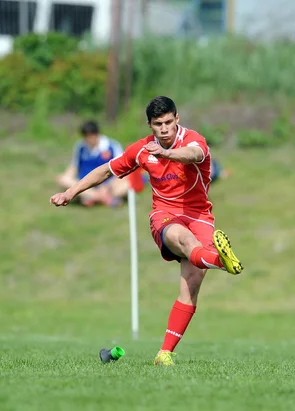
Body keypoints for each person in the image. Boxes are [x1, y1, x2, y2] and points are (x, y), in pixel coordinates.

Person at [49, 96, 244, 366]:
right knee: (184, 240)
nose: (164, 129)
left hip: (199, 214)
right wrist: (71, 192)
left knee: (192, 283)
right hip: (165, 215)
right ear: (150, 125)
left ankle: (164, 353)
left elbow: (194, 155)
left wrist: (166, 153)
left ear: (177, 119)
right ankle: (221, 260)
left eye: (168, 122)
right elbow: (106, 171)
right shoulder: (141, 150)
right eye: (157, 124)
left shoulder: (193, 140)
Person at [56, 120, 128, 207]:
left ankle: (90, 198)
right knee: (63, 179)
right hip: (86, 184)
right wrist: (66, 178)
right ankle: (102, 198)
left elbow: (122, 169)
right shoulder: (81, 147)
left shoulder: (112, 146)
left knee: (128, 184)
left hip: (108, 184)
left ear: (97, 134)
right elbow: (74, 167)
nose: (89, 139)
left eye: (91, 136)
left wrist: (108, 186)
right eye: (86, 136)